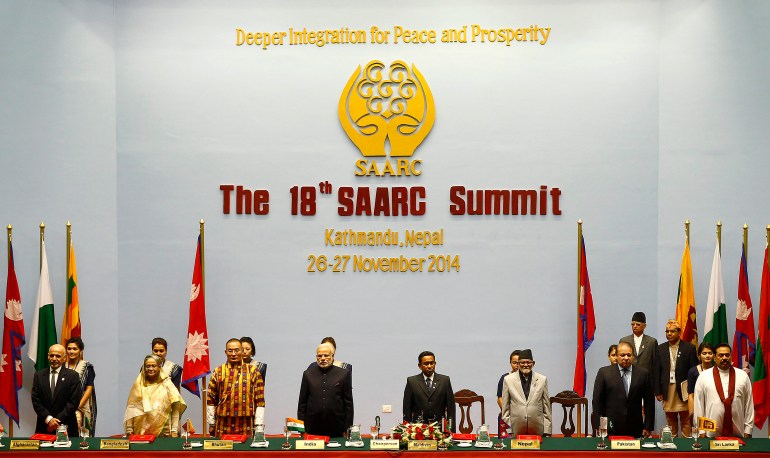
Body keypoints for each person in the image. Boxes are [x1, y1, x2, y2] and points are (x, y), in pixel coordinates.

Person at [592, 342, 654, 437]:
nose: (626, 358)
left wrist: (648, 426)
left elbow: (649, 402)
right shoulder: (604, 373)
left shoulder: (643, 374)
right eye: (622, 355)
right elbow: (597, 401)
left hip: (635, 427)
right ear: (616, 356)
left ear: (633, 356)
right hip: (610, 427)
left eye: (629, 355)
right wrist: (598, 425)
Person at [693, 343, 754, 438]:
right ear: (714, 357)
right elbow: (698, 405)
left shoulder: (743, 376)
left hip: (738, 433)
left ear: (731, 357)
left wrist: (748, 430)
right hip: (710, 433)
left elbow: (749, 404)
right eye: (720, 355)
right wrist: (701, 431)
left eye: (727, 355)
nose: (724, 358)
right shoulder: (704, 376)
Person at [207, 339, 266, 437]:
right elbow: (211, 398)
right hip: (222, 423)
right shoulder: (218, 371)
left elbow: (260, 400)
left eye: (237, 350)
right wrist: (211, 422)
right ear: (226, 352)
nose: (233, 354)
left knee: (245, 451)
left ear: (241, 351)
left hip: (246, 423)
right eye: (230, 351)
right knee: (222, 451)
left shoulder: (253, 371)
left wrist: (258, 425)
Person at [297, 343, 354, 437]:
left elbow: (348, 404)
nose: (323, 358)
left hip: (337, 426)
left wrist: (347, 428)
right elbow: (302, 403)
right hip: (312, 426)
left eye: (326, 355)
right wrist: (302, 428)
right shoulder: (308, 374)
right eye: (320, 356)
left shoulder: (344, 374)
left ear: (332, 356)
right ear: (316, 357)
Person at [124, 355, 186, 437]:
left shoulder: (167, 385)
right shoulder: (138, 385)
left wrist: (174, 430)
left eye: (153, 366)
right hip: (140, 435)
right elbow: (131, 408)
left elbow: (175, 408)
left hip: (163, 434)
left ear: (159, 367)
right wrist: (129, 430)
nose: (150, 369)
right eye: (148, 366)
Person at [656, 319, 698, 437]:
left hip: (684, 389)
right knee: (670, 419)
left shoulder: (689, 348)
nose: (669, 334)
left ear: (679, 332)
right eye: (667, 331)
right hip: (667, 388)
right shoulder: (660, 349)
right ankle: (671, 442)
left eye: (672, 331)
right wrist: (658, 391)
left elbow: (694, 371)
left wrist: (692, 391)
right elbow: (656, 372)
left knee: (686, 419)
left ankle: (686, 442)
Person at [31, 344, 83, 438]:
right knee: (44, 453)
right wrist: (49, 420)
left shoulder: (73, 376)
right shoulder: (38, 376)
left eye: (58, 356)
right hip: (44, 427)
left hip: (67, 427)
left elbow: (73, 402)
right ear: (48, 356)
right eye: (51, 355)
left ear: (64, 358)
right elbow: (36, 400)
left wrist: (56, 421)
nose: (54, 358)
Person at [501, 349, 552, 436]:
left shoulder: (542, 380)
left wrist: (547, 431)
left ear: (533, 363)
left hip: (537, 429)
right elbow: (505, 408)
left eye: (528, 362)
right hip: (516, 428)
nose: (525, 365)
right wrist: (508, 431)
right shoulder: (508, 380)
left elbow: (546, 407)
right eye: (522, 362)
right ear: (518, 363)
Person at [402, 351, 456, 431]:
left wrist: (451, 431)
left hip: (440, 428)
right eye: (426, 364)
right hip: (418, 430)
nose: (430, 366)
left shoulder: (444, 380)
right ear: (419, 366)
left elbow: (451, 408)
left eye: (432, 363)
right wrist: (407, 430)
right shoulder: (412, 381)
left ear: (435, 363)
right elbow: (407, 408)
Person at [64, 337, 97, 435]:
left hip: (82, 405)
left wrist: (76, 407)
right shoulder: (61, 366)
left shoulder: (87, 367)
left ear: (80, 351)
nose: (71, 351)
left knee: (81, 435)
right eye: (69, 349)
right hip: (64, 406)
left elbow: (89, 389)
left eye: (75, 349)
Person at [687, 342, 715, 422]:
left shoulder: (717, 371)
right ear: (699, 355)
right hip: (698, 406)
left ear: (714, 355)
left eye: (710, 353)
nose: (707, 356)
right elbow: (691, 395)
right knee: (701, 432)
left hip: (713, 407)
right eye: (704, 353)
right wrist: (692, 414)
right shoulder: (693, 372)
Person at [497, 350, 520, 437]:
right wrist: (507, 413)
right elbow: (500, 398)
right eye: (514, 363)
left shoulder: (528, 379)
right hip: (508, 415)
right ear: (510, 363)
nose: (517, 365)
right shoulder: (505, 378)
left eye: (519, 363)